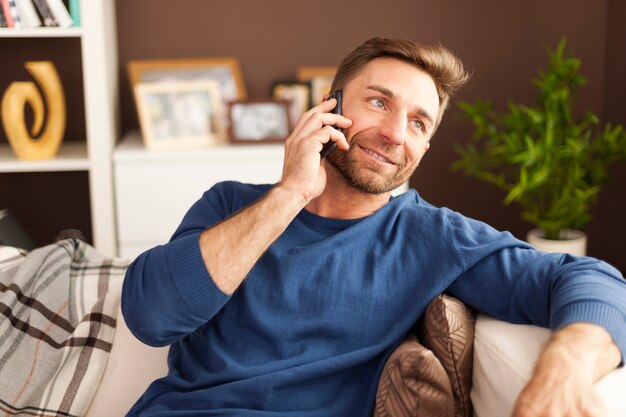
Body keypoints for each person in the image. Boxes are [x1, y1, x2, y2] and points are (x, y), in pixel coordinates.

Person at [122, 37, 626, 417]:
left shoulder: (435, 238)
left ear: (425, 148)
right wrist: (291, 194)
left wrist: (565, 367)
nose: (393, 134)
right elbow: (151, 316)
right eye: (380, 102)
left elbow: (591, 280)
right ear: (329, 107)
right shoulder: (231, 203)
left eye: (418, 123)